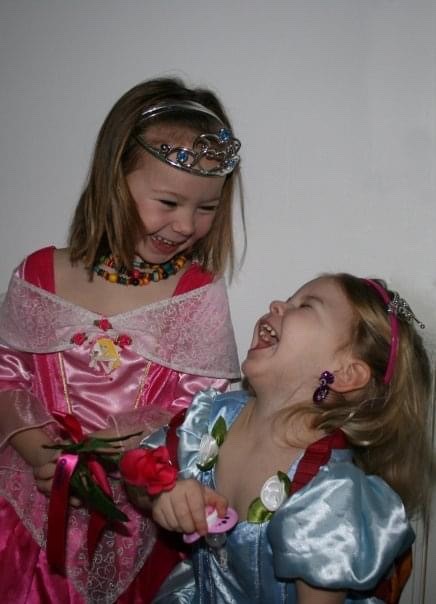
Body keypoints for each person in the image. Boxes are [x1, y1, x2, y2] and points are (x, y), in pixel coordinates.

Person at [0, 77, 242, 603]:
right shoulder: (38, 274)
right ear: (114, 180)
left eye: (206, 208)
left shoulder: (198, 296)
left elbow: (197, 411)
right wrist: (44, 457)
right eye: (168, 201)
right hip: (24, 516)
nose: (186, 225)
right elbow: (7, 377)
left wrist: (120, 463)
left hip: (137, 522)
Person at [145, 273, 431, 603]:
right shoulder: (212, 417)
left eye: (305, 306)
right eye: (290, 298)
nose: (276, 304)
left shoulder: (329, 497)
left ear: (345, 374)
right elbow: (138, 474)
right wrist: (163, 494)